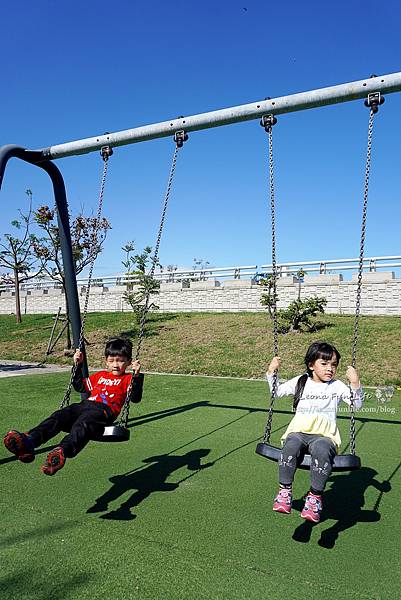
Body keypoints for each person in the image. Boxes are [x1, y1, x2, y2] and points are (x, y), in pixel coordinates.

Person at [3, 337, 143, 476]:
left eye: (120, 361)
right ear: (106, 361)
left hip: (103, 411)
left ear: (129, 362)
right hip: (85, 405)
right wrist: (78, 365)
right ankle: (29, 442)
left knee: (84, 423)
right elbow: (80, 386)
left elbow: (135, 398)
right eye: (111, 361)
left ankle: (62, 452)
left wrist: (137, 376)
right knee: (60, 415)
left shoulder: (128, 379)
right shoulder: (100, 376)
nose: (115, 365)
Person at [267, 341, 362, 523]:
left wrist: (355, 382)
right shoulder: (300, 381)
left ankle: (314, 498)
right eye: (324, 363)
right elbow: (276, 392)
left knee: (322, 449)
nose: (330, 369)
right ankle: (284, 491)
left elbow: (356, 404)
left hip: (324, 435)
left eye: (334, 364)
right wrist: (272, 371)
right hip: (299, 431)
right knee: (291, 444)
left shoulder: (337, 386)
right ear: (311, 365)